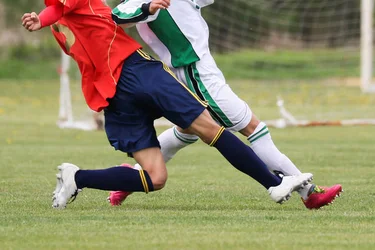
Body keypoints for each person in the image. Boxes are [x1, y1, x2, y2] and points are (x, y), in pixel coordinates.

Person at [22, 0, 312, 209]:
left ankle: (77, 177)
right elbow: (67, 8)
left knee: (172, 158)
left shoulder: (63, 23)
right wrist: (147, 8)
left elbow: (66, 11)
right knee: (195, 141)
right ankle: (274, 185)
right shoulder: (67, 13)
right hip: (135, 74)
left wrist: (43, 20)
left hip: (114, 93)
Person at [108, 0, 342, 209]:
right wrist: (147, 8)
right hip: (196, 74)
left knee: (187, 132)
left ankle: (130, 178)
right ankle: (308, 192)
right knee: (253, 128)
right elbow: (118, 15)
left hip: (203, 69)